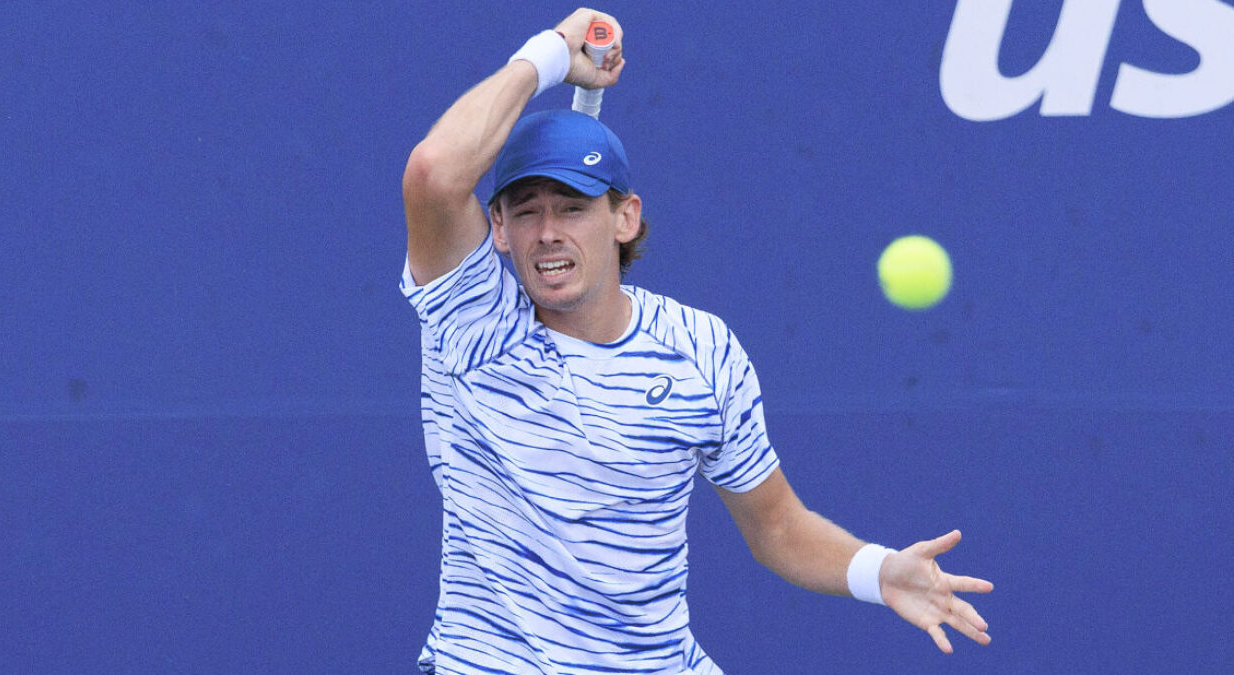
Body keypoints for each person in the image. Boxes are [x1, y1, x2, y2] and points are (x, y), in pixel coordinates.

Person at [399, 9, 992, 674]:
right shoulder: (475, 319)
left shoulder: (700, 348)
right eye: (526, 211)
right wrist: (551, 55)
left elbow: (776, 525)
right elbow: (434, 173)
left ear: (626, 217)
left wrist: (877, 570)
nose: (547, 233)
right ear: (498, 229)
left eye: (571, 208)